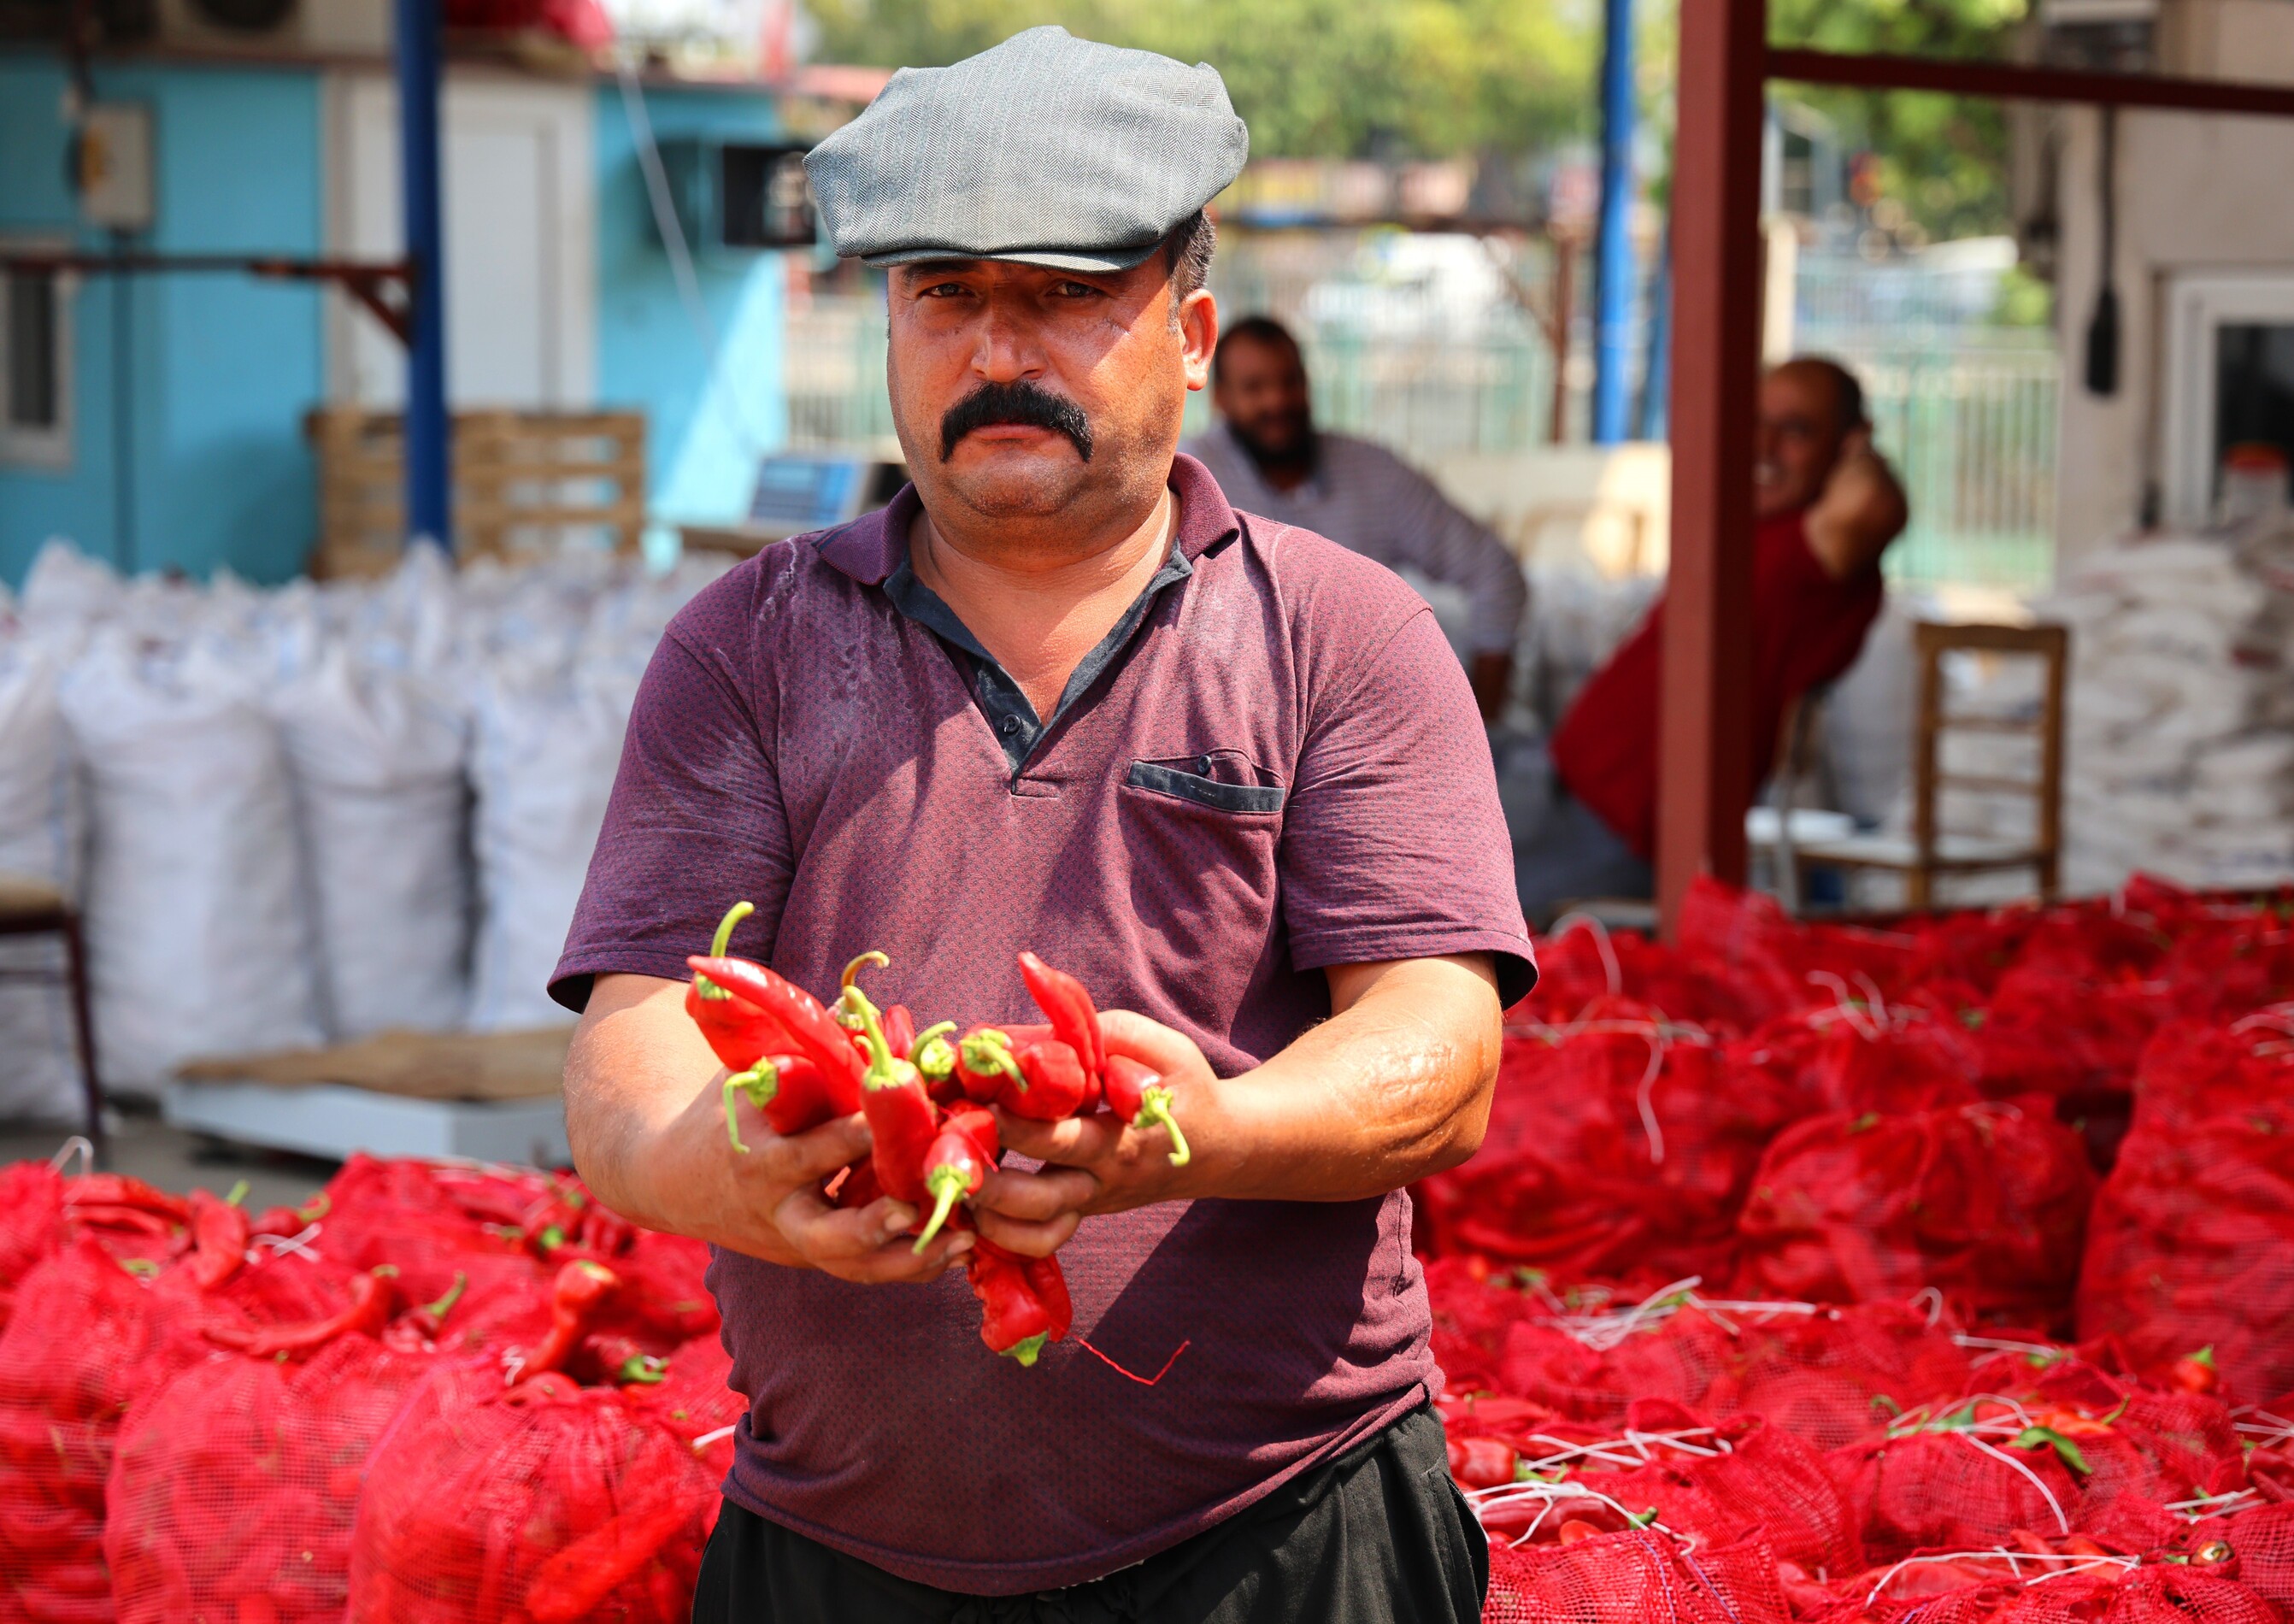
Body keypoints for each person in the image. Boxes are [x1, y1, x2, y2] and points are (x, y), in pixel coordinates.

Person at [551, 26, 1531, 1624]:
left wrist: (1205, 1137)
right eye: (941, 295)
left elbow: (1438, 1046)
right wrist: (737, 1172)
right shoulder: (744, 648)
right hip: (837, 1555)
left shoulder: (1342, 637)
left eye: (1067, 293)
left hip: (1278, 1542)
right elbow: (633, 1044)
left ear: (1192, 333)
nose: (996, 345)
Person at [1513, 356, 1909, 922]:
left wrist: (1860, 454)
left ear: (1849, 446)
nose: (1766, 446)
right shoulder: (1761, 528)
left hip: (1611, 829)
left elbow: (1872, 502)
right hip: (1560, 784)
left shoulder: (1819, 561)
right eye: (1756, 423)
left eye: (1796, 430)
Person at [1185, 317, 1529, 721]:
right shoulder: (1192, 479)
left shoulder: (1375, 474)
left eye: (1289, 381)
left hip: (1363, 727)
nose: (1276, 401)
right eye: (1255, 388)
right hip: (1229, 728)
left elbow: (1497, 573)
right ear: (1220, 398)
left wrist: (1480, 718)